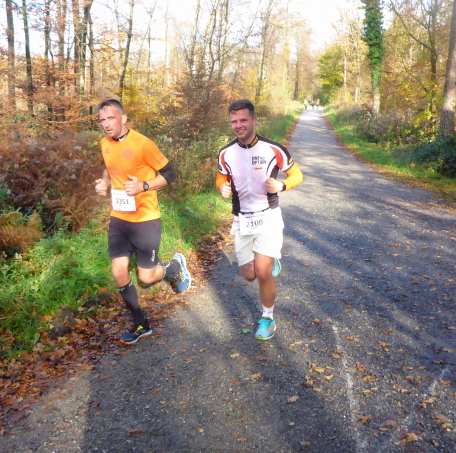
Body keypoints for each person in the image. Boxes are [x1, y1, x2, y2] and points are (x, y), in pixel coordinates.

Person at [94, 98, 192, 344]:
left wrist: (144, 186)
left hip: (145, 218)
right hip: (119, 218)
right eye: (102, 120)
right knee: (118, 272)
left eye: (111, 118)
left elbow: (170, 174)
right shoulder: (104, 143)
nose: (106, 124)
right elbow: (109, 167)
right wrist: (105, 181)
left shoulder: (143, 144)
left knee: (147, 277)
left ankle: (174, 268)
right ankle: (141, 324)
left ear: (124, 118)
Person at [216, 99, 303, 340]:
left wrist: (282, 185)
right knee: (249, 274)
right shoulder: (226, 153)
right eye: (234, 121)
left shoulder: (273, 149)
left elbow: (297, 174)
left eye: (243, 120)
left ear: (254, 120)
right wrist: (222, 187)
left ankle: (268, 318)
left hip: (268, 216)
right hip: (242, 219)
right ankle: (269, 260)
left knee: (263, 272)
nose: (238, 125)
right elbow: (221, 177)